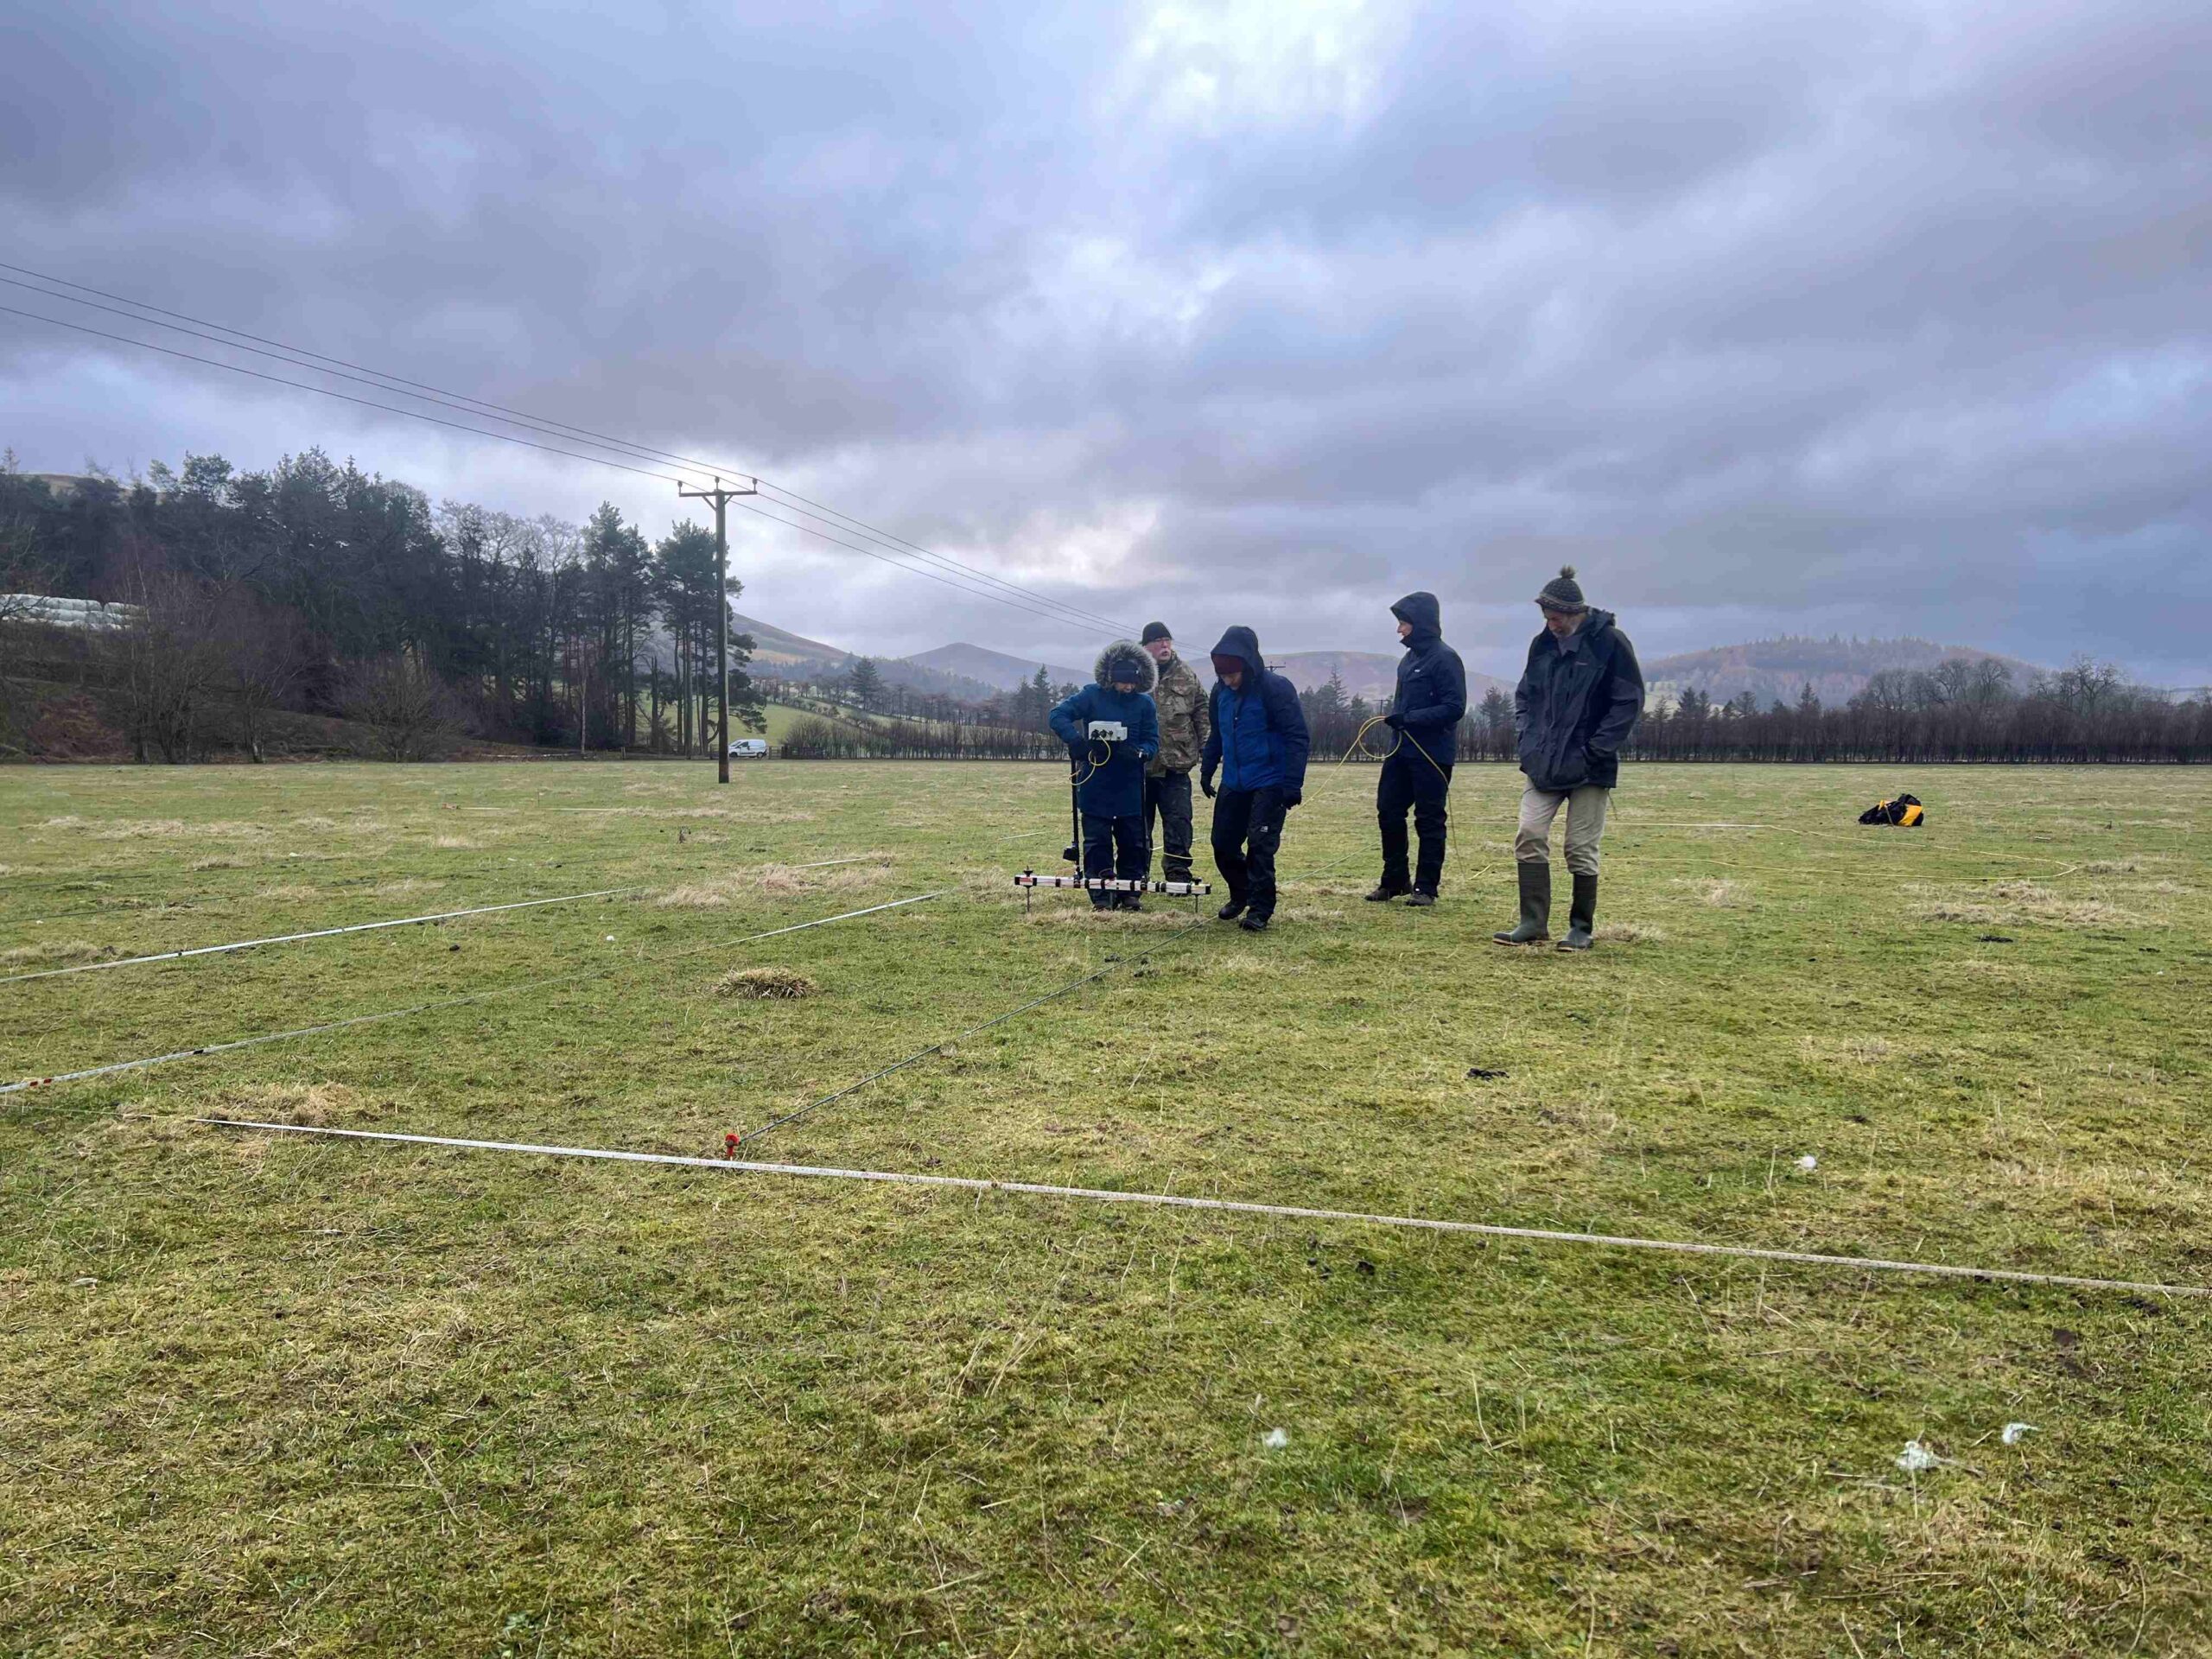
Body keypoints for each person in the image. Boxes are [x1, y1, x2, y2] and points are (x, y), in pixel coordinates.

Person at [1495, 566, 1644, 950]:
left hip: (1590, 767)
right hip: (1542, 762)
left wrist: (1595, 749)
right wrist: (1527, 738)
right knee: (1529, 834)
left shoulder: (1611, 643)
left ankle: (1581, 928)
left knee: (1579, 847)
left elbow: (1628, 703)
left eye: (1556, 618)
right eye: (1546, 617)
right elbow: (1525, 696)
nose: (1551, 624)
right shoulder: (1541, 645)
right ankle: (1532, 923)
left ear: (1574, 612)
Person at [1198, 626, 1309, 932]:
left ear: (1247, 667)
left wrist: (1293, 783)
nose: (1228, 681)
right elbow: (1217, 734)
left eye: (1232, 675)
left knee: (1260, 845)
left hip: (1269, 780)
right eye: (1222, 676)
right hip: (1234, 780)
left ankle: (1260, 908)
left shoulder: (1275, 689)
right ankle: (1241, 892)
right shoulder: (1220, 693)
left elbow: (1297, 736)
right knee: (1222, 843)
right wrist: (1207, 769)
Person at [1365, 591, 1466, 907]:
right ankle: (1395, 880)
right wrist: (1397, 721)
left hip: (1432, 755)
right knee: (1388, 812)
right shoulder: (1407, 661)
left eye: (1403, 623)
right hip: (1400, 752)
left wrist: (1408, 719)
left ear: (1419, 623)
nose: (1399, 629)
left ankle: (1426, 888)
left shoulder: (1446, 658)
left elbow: (1455, 707)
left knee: (1429, 819)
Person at [1049, 640, 1161, 910]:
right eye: (1123, 683)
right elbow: (1058, 715)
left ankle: (1129, 892)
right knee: (1097, 842)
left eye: (1133, 683)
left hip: (1130, 786)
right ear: (1111, 679)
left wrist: (1141, 753)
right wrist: (1076, 741)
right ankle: (1101, 896)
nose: (1128, 688)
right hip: (1095, 782)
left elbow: (1152, 740)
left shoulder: (1145, 704)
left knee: (1133, 842)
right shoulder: (1091, 695)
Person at [1138, 621, 1210, 888]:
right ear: (1146, 646)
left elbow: (1202, 710)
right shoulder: (1134, 672)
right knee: (1136, 825)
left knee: (1179, 823)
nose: (1165, 645)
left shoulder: (1186, 674)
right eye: (1158, 641)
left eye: (1167, 640)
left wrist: (1207, 747)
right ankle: (1136, 874)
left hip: (1176, 763)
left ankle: (1178, 874)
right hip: (1139, 766)